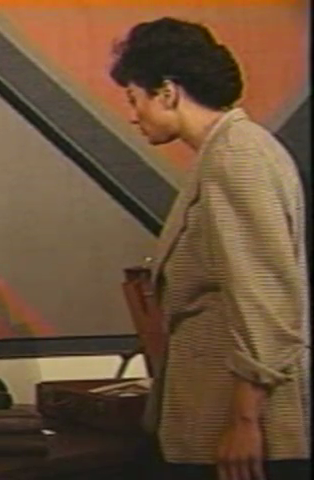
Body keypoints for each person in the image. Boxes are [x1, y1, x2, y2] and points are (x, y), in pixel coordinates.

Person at [108, 17, 310, 480]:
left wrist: (245, 422)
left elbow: (265, 296)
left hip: (241, 423)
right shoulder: (228, 152)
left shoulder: (237, 157)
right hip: (213, 406)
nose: (133, 115)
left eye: (134, 99)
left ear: (167, 92)